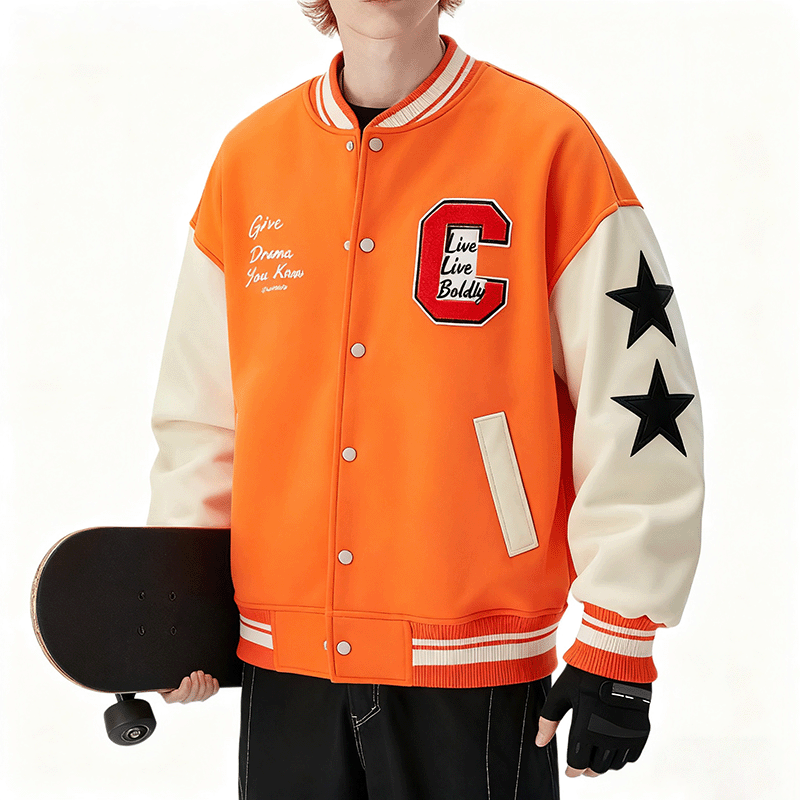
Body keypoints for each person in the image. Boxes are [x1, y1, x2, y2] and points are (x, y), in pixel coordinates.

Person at [148, 0, 703, 797]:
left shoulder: (549, 148)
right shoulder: (250, 162)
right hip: (285, 669)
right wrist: (179, 606)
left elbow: (642, 396)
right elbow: (201, 416)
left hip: (475, 671)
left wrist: (621, 635)